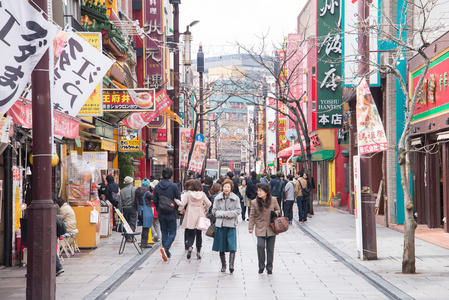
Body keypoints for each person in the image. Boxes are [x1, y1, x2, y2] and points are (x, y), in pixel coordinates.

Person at [248, 182, 281, 275]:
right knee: (260, 246)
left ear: (266, 192)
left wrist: (276, 213)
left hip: (271, 227)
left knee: (270, 249)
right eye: (258, 190)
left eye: (260, 191)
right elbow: (252, 215)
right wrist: (251, 227)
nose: (258, 192)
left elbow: (278, 210)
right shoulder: (255, 202)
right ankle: (261, 266)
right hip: (260, 228)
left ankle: (269, 267)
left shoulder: (273, 200)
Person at [175, 180, 211, 260]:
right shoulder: (202, 194)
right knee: (199, 234)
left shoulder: (188, 194)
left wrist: (175, 200)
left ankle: (190, 247)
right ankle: (198, 252)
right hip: (200, 214)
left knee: (191, 233)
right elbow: (209, 203)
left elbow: (182, 204)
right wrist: (204, 208)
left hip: (190, 215)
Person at [212, 179, 241, 274]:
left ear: (231, 188)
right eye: (224, 187)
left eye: (228, 187)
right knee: (221, 246)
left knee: (232, 245)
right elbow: (214, 211)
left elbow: (238, 211)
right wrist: (222, 214)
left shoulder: (235, 198)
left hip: (231, 224)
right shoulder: (217, 198)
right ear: (222, 188)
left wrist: (227, 214)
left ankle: (231, 265)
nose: (226, 189)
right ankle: (223, 265)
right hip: (220, 224)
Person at [153, 167, 181, 261]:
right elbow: (178, 199)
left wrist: (159, 208)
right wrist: (175, 209)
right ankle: (166, 247)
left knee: (164, 232)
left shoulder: (157, 186)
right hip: (171, 212)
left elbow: (155, 200)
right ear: (171, 175)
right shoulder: (174, 186)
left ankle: (167, 252)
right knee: (173, 232)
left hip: (161, 212)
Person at [135, 178, 153, 248]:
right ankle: (144, 243)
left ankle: (143, 242)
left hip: (140, 211)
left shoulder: (137, 192)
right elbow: (154, 198)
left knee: (144, 227)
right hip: (146, 211)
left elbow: (135, 202)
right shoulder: (147, 193)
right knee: (146, 227)